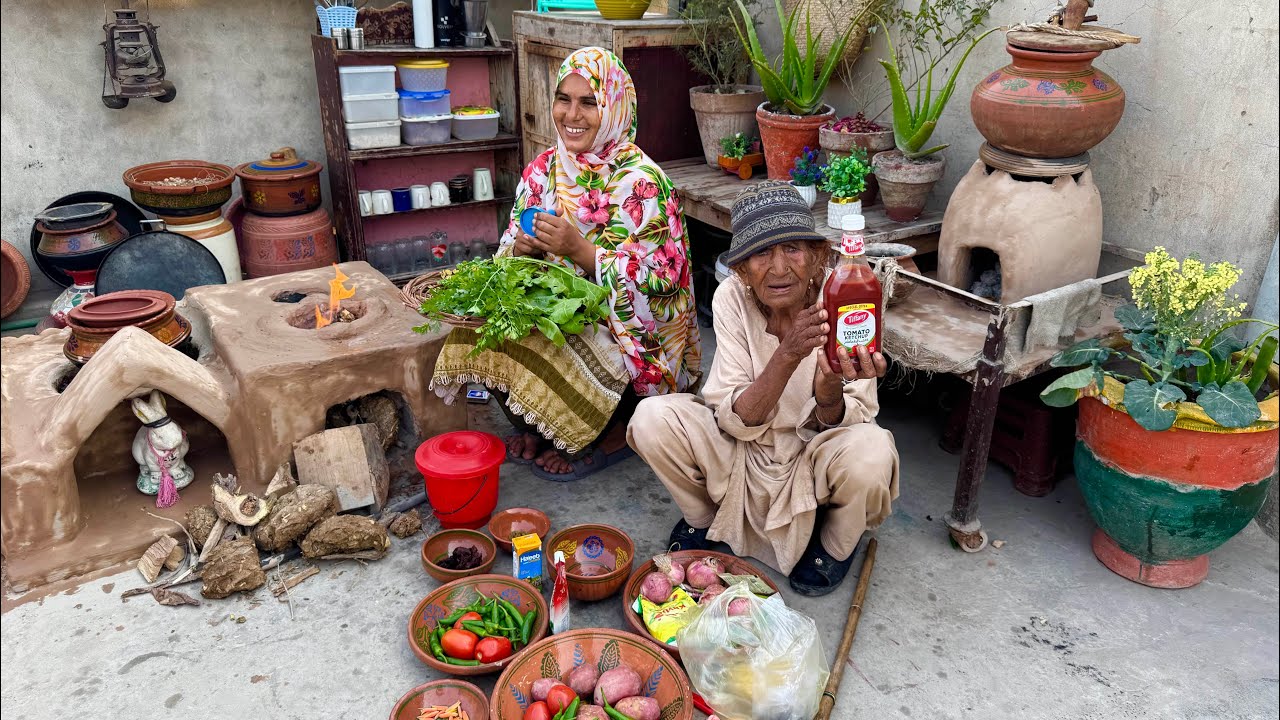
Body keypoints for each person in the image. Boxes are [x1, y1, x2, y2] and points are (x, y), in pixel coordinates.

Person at [430, 47, 700, 481]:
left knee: (570, 342)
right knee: (480, 322)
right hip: (558, 310)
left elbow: (665, 285)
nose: (572, 114)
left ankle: (611, 435)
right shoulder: (544, 171)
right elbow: (505, 256)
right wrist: (521, 250)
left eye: (589, 101)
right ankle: (540, 424)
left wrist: (584, 253)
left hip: (621, 331)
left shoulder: (642, 183)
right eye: (564, 99)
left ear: (613, 107)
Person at [627, 182, 899, 596]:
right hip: (741, 450)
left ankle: (832, 546)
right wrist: (787, 356)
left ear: (817, 256)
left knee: (872, 452)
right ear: (741, 269)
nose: (778, 268)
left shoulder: (845, 297)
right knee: (652, 418)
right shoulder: (731, 298)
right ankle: (702, 520)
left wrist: (828, 392)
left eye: (793, 249)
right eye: (760, 253)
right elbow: (734, 418)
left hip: (813, 457)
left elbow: (853, 419)